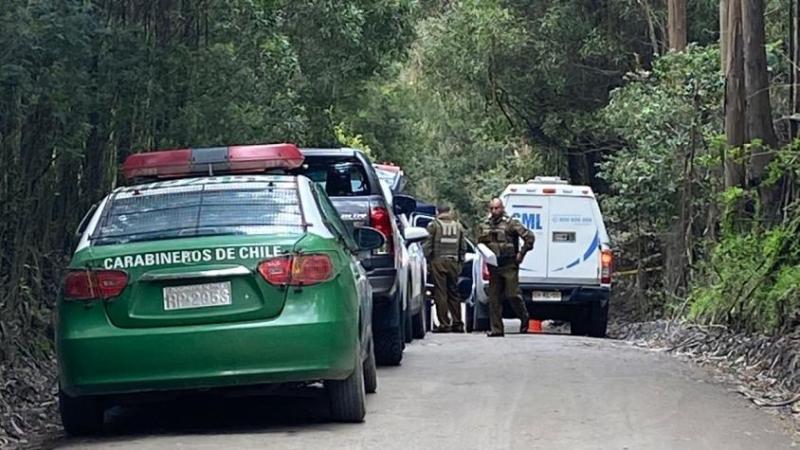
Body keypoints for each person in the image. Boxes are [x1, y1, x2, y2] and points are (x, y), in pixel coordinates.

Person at [477, 198, 535, 337]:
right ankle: (497, 329)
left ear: (502, 208)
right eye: (491, 208)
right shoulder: (485, 225)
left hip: (509, 264)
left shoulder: (511, 223)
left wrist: (521, 254)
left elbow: (529, 237)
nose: (494, 211)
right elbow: (480, 243)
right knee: (494, 298)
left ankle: (524, 317)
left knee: (512, 295)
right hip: (494, 265)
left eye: (496, 208)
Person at [423, 205, 467, 333]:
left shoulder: (434, 225)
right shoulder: (458, 226)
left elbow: (428, 245)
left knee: (440, 293)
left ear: (438, 212)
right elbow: (463, 247)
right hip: (454, 262)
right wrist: (460, 262)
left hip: (438, 261)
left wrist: (426, 261)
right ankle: (458, 323)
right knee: (454, 292)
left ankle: (444, 324)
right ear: (449, 212)